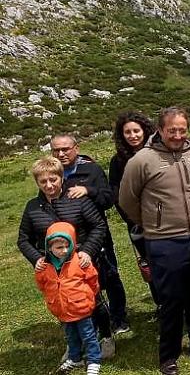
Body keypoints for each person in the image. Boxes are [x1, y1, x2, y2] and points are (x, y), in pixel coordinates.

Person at [119, 107, 190, 375]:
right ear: (160, 130)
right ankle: (169, 355)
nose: (176, 135)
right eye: (171, 130)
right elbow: (127, 201)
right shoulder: (142, 161)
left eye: (181, 130)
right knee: (171, 299)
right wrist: (154, 221)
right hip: (164, 241)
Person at [17, 156, 114, 359]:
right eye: (43, 181)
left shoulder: (77, 199)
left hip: (82, 260)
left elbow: (98, 226)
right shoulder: (33, 207)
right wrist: (36, 258)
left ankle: (105, 336)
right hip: (54, 266)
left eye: (53, 179)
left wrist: (87, 251)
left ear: (61, 178)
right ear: (37, 183)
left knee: (93, 299)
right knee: (62, 302)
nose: (49, 185)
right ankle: (74, 343)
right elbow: (23, 239)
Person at [51, 133, 130, 334]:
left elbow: (108, 199)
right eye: (56, 150)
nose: (61, 154)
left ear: (76, 148)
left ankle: (119, 318)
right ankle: (89, 318)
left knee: (109, 276)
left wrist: (88, 190)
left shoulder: (92, 169)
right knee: (77, 279)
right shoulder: (53, 174)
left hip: (98, 234)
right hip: (68, 242)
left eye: (65, 149)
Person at [108, 111, 160, 309]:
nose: (133, 136)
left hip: (166, 220)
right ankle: (161, 304)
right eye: (127, 132)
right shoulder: (118, 161)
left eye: (136, 131)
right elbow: (116, 195)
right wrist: (134, 219)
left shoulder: (159, 152)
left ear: (145, 131)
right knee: (148, 264)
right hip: (138, 224)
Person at [36, 222, 102, 375]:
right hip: (62, 310)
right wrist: (39, 271)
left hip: (81, 308)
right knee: (70, 336)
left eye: (67, 245)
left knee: (88, 335)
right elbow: (42, 285)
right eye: (59, 247)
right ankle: (75, 358)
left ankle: (94, 360)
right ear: (49, 247)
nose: (64, 250)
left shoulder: (80, 261)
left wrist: (88, 296)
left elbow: (93, 280)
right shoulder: (45, 266)